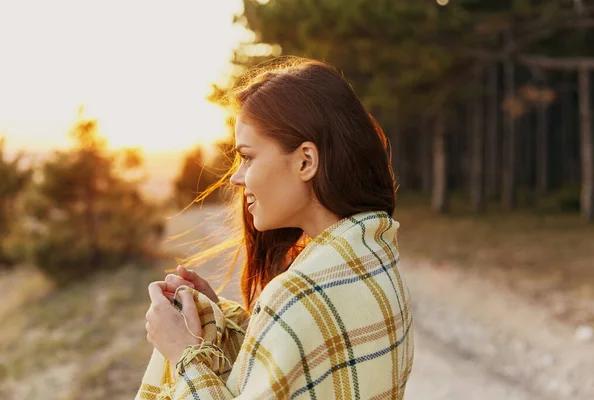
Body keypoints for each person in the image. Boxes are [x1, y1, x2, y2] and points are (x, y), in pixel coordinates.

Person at [136, 58, 414, 399]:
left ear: (305, 161)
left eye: (248, 157)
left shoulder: (299, 295)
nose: (237, 177)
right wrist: (221, 318)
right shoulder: (375, 256)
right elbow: (286, 373)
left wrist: (183, 354)